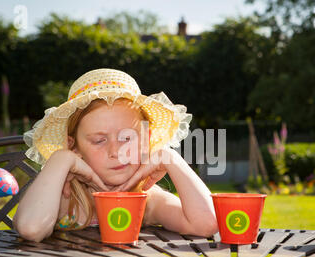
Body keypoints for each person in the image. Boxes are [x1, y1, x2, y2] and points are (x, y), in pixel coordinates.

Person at [13, 68, 217, 242]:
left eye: (127, 138)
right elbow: (30, 228)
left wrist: (171, 158)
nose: (116, 152)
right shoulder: (65, 200)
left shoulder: (148, 201)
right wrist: (61, 158)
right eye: (99, 140)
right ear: (74, 148)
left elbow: (207, 225)